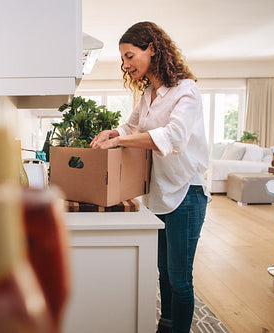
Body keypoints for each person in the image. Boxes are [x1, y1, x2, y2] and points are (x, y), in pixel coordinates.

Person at [90, 21, 210, 333]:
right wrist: (114, 132)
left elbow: (174, 136)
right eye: (123, 59)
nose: (125, 65)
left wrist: (119, 142)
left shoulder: (186, 91)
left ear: (152, 49)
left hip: (186, 192)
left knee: (180, 277)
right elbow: (131, 129)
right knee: (163, 272)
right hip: (157, 192)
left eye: (130, 56)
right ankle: (166, 326)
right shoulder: (148, 95)